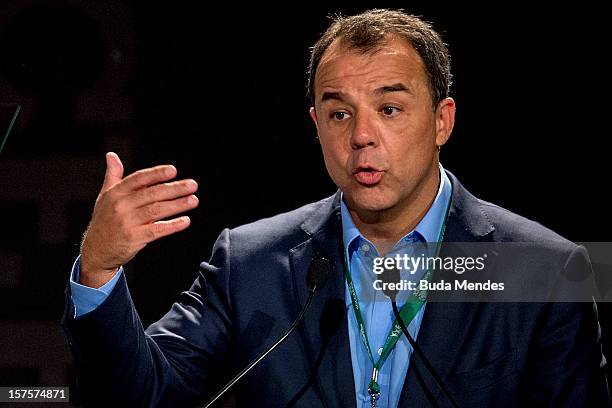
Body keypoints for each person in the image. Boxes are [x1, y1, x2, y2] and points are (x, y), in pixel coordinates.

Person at [62, 9, 609, 407]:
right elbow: (141, 398)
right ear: (317, 126)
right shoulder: (250, 264)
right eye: (340, 114)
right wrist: (99, 268)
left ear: (442, 120)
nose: (363, 136)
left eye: (389, 108)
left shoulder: (546, 269)